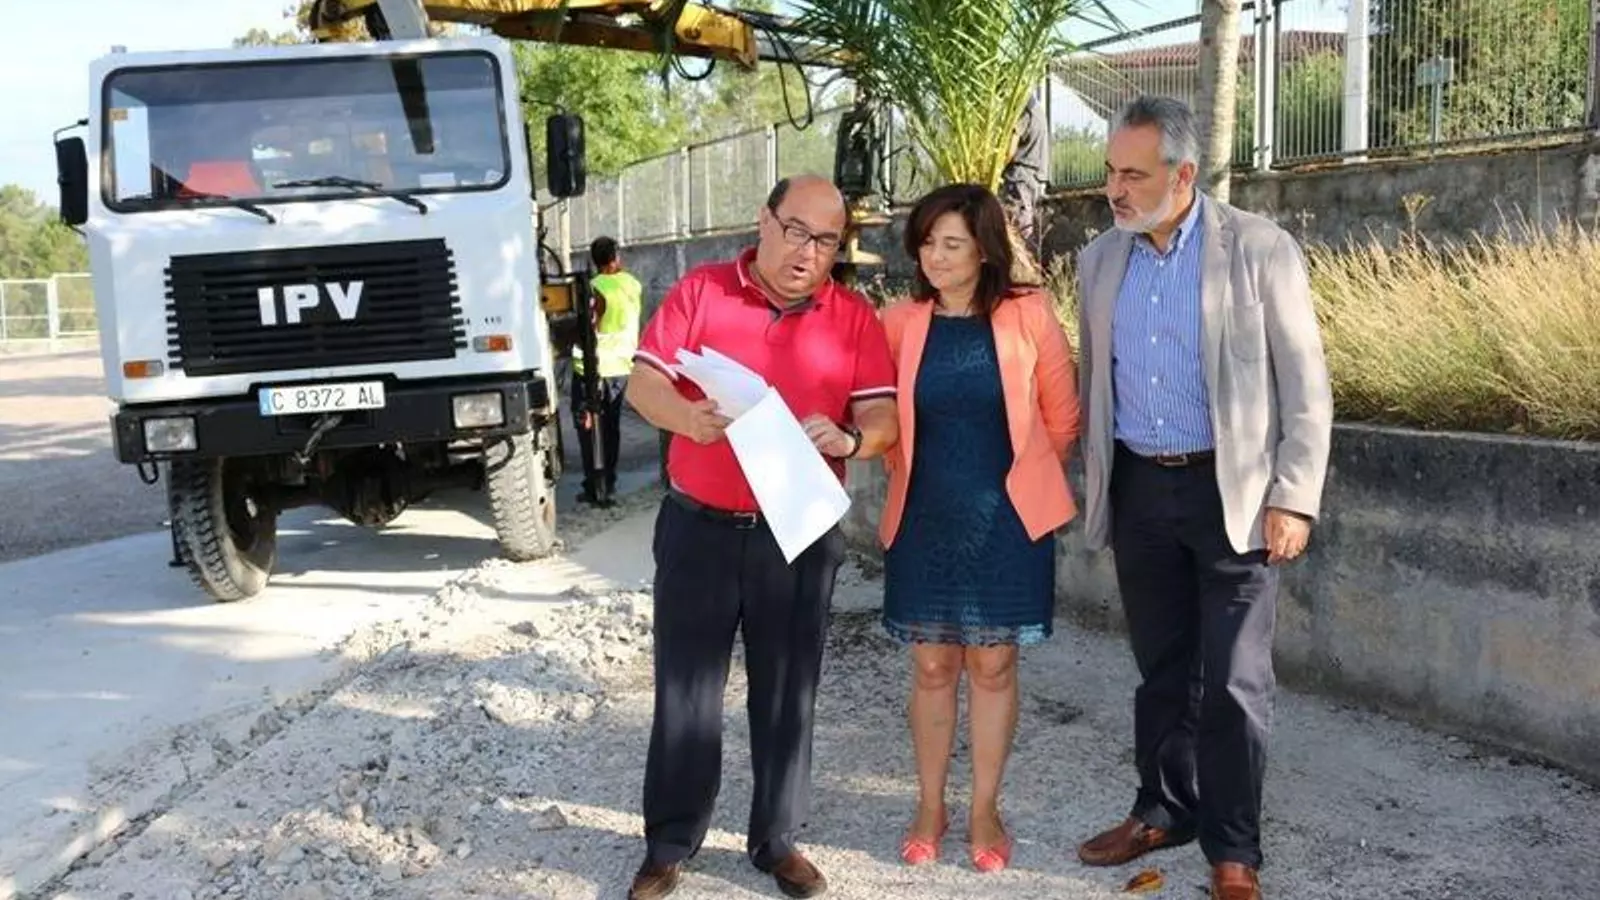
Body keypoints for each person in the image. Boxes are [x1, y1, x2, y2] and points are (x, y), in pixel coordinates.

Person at [1071, 95, 1333, 900]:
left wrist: (1294, 496)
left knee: (1235, 681)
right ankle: (1162, 809)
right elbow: (1095, 381)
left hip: (1237, 494)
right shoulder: (1099, 261)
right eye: (1110, 172)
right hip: (1141, 487)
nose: (1114, 190)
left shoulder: (1258, 248)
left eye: (1133, 175)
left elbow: (1306, 384)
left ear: (1183, 175)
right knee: (1161, 670)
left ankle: (1233, 849)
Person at [623, 174, 900, 900]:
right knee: (686, 691)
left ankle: (777, 842)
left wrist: (851, 437)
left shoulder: (853, 318)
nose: (808, 252)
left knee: (787, 694)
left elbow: (883, 419)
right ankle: (669, 843)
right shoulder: (702, 292)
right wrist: (687, 420)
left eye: (827, 241)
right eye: (796, 231)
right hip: (699, 528)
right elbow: (644, 385)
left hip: (797, 533)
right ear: (764, 221)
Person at [877, 183, 1081, 873]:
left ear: (985, 249)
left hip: (1007, 523)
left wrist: (1019, 485)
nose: (934, 257)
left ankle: (984, 810)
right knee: (933, 666)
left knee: (993, 667)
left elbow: (1062, 421)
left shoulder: (1030, 313)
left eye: (951, 244)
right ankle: (929, 806)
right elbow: (883, 421)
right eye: (926, 243)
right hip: (924, 519)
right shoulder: (900, 322)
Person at [570, 235, 643, 504]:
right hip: (622, 366)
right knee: (611, 427)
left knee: (588, 427)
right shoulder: (633, 284)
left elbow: (590, 327)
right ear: (616, 257)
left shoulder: (594, 288)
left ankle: (594, 485)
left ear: (594, 260)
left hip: (594, 368)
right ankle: (608, 482)